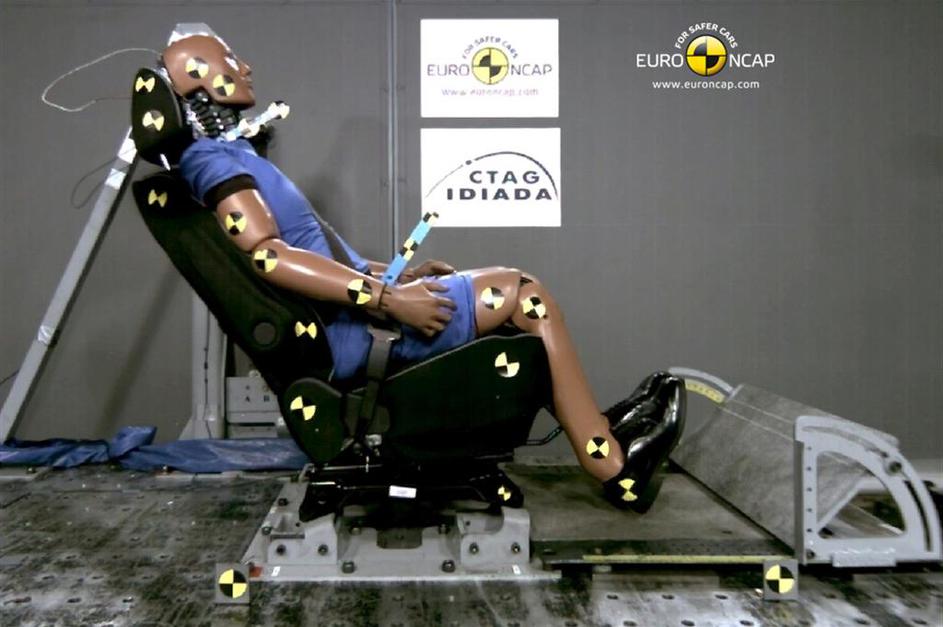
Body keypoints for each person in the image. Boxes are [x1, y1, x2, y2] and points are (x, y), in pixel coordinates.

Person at [160, 33, 685, 511]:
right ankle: (612, 466)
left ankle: (599, 430)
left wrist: (399, 278)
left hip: (359, 317)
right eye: (231, 59)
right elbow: (268, 257)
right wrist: (388, 300)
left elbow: (326, 258)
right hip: (353, 335)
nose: (245, 66)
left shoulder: (231, 156)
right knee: (526, 296)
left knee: (519, 306)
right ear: (198, 80)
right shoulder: (214, 163)